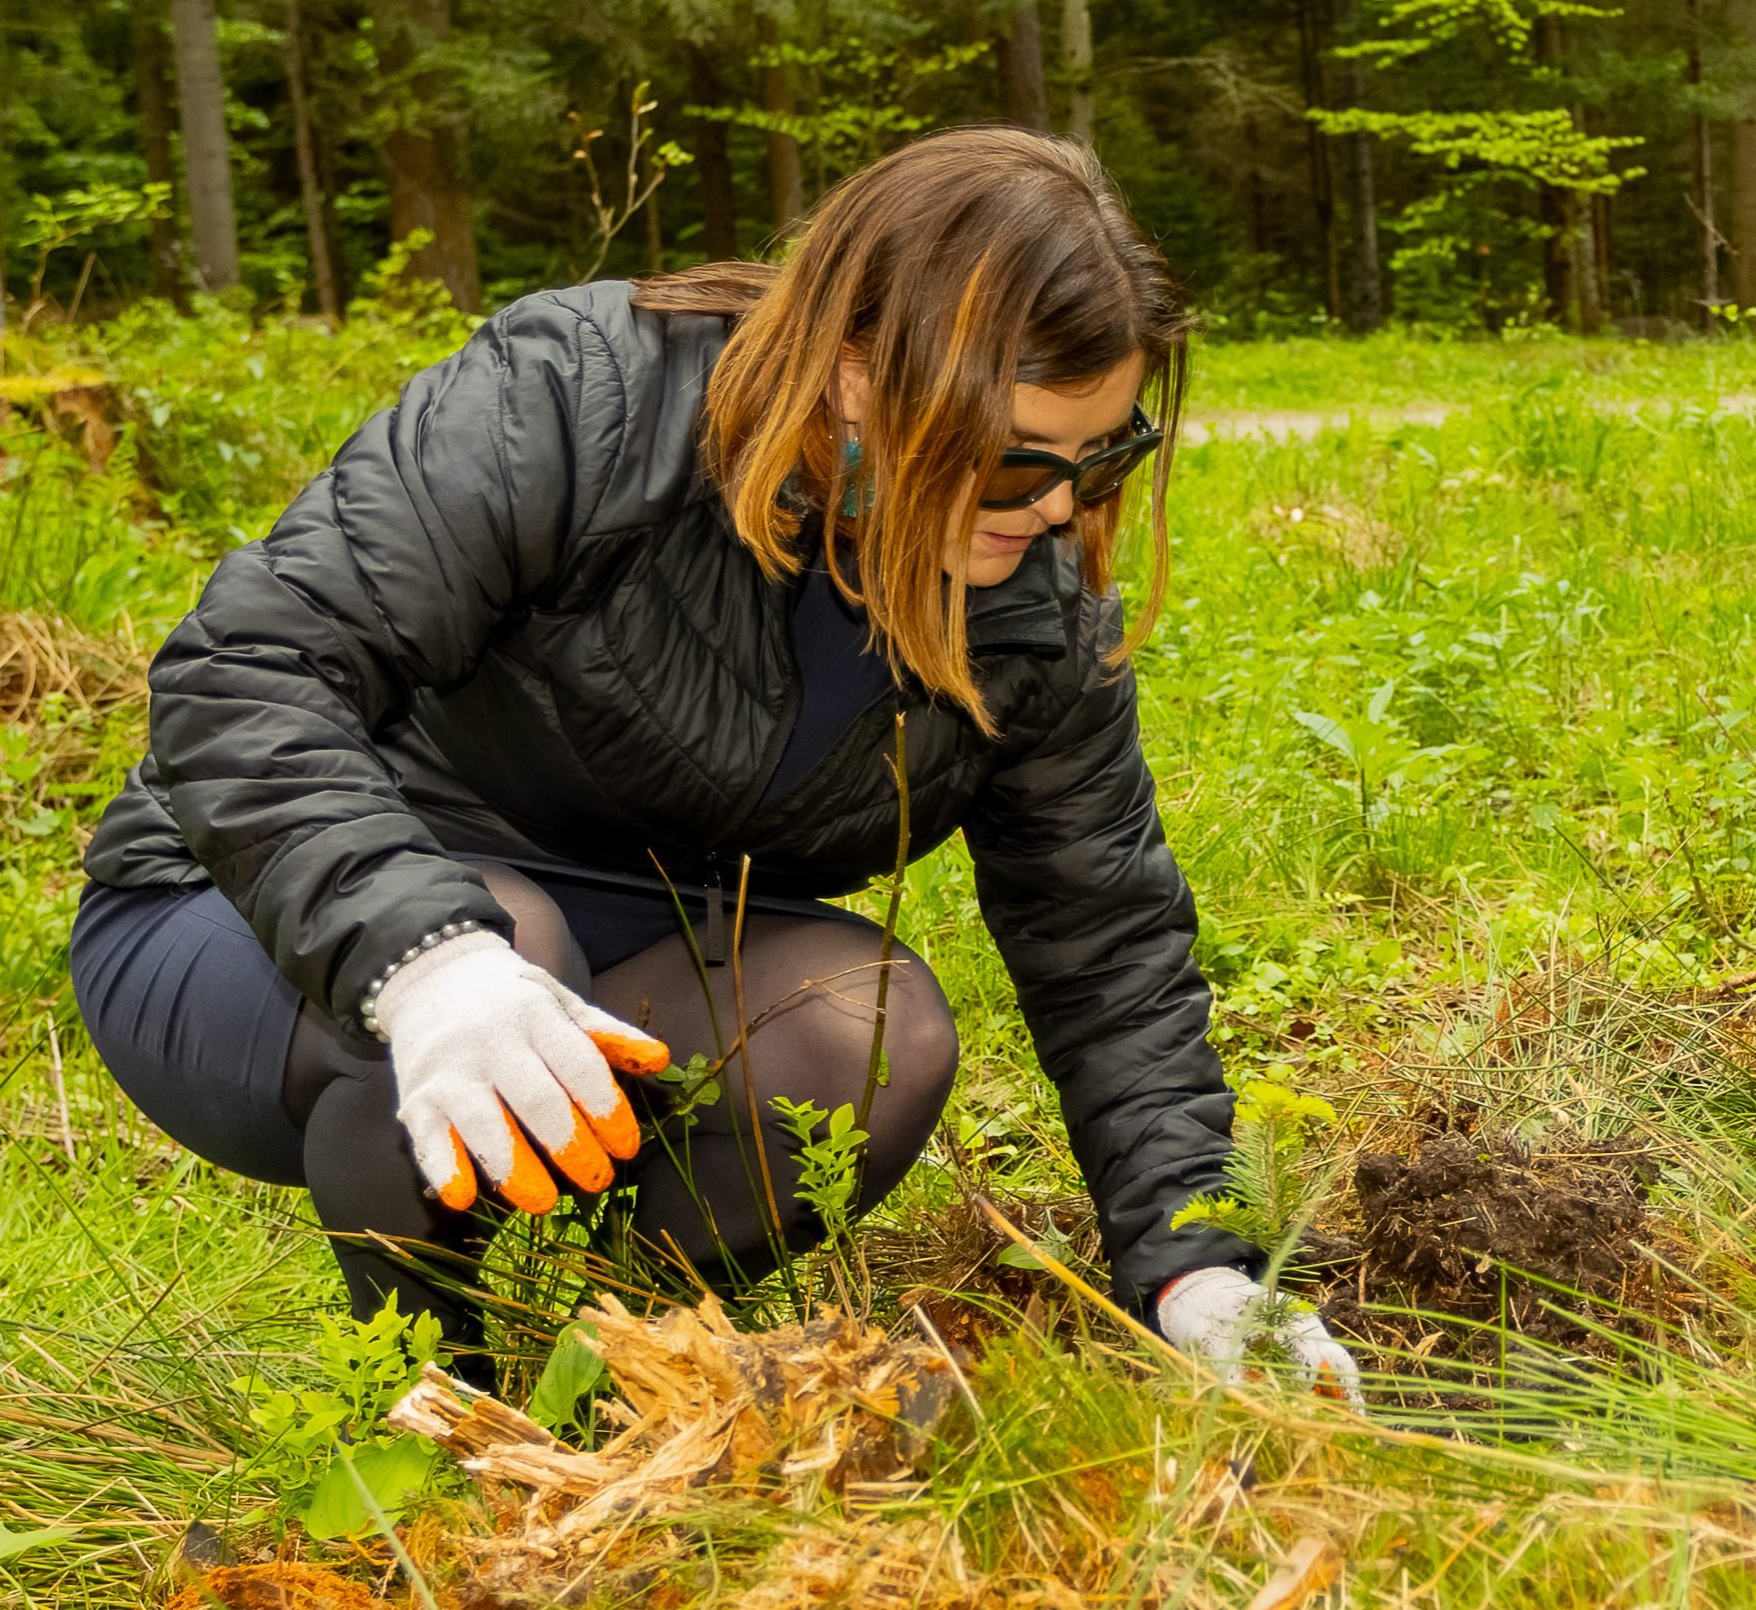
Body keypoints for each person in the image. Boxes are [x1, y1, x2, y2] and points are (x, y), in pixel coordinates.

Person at [74, 129, 1353, 1400]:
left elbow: (1106, 945)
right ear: (859, 374)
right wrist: (428, 965)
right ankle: (426, 1411)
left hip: (633, 975)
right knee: (504, 935)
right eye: (1017, 457)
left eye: (1104, 454)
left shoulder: (1029, 610)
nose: (1060, 505)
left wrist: (1199, 1270)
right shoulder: (583, 394)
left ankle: (619, 1379)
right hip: (262, 923)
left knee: (869, 1033)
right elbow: (243, 673)